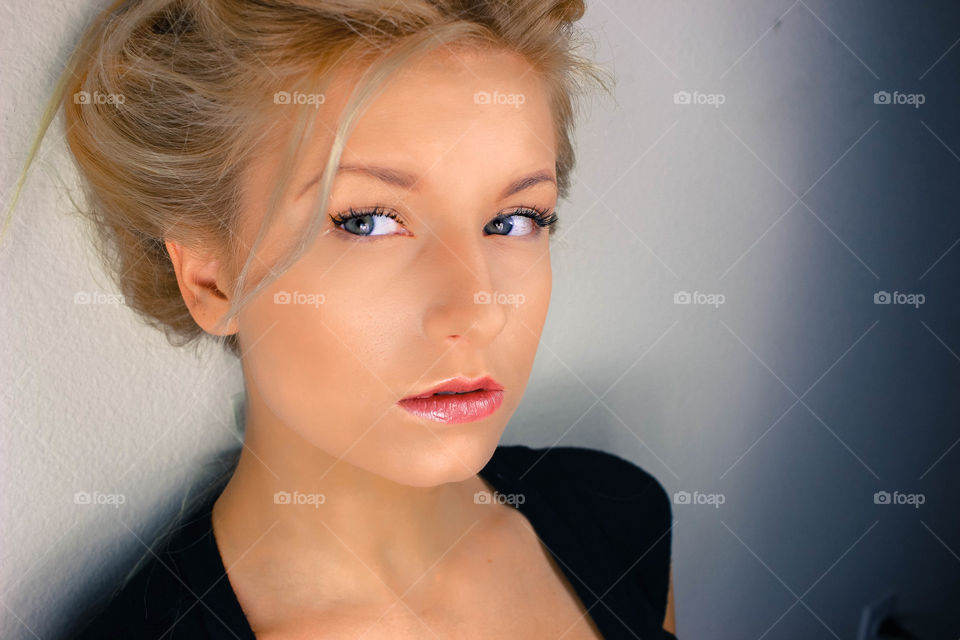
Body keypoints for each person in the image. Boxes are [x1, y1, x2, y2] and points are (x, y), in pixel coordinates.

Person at [7, 0, 678, 637]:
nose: (479, 312)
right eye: (369, 221)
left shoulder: (619, 514)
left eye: (514, 220)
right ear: (211, 277)